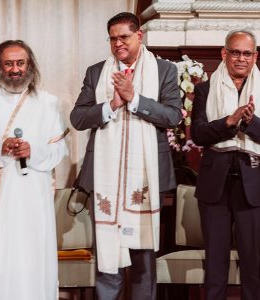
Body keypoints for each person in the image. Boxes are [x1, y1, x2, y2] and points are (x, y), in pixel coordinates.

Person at [70, 12, 182, 300]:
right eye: (113, 38)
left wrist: (136, 100)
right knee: (108, 252)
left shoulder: (164, 70)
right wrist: (111, 104)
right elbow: (79, 118)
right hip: (105, 176)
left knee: (144, 252)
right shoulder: (97, 72)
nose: (118, 43)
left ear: (139, 36)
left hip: (147, 175)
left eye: (124, 37)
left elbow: (172, 116)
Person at [0, 40, 68, 300]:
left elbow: (58, 150)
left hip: (34, 199)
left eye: (20, 63)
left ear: (29, 65)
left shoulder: (48, 103)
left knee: (33, 258)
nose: (15, 69)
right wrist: (0, 147)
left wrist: (33, 151)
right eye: (8, 63)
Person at [191, 30, 260, 300]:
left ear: (255, 57)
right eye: (235, 52)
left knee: (251, 261)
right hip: (215, 182)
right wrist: (228, 122)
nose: (241, 58)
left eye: (247, 53)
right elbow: (198, 134)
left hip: (253, 182)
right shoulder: (206, 89)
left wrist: (250, 122)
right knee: (215, 261)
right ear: (224, 54)